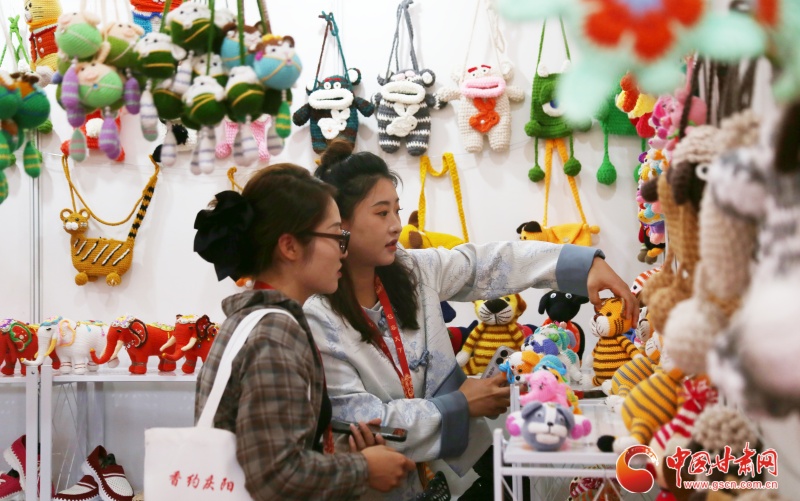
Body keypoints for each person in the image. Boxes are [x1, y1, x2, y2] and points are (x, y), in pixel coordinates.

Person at [304, 141, 639, 500]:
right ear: (341, 223)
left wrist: (582, 265)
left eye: (396, 211)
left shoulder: (412, 270)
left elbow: (485, 264)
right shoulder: (318, 315)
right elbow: (359, 421)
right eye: (381, 213)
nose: (396, 226)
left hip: (452, 469)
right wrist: (461, 404)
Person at [193, 164, 415, 501]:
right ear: (290, 247)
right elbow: (274, 477)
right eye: (336, 236)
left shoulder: (254, 319)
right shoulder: (275, 333)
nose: (343, 251)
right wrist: (364, 469)